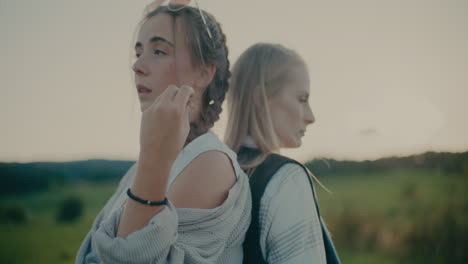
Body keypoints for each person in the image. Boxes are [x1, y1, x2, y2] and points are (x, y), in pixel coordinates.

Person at [76, 2, 251, 264]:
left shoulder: (208, 163)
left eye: (158, 51)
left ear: (204, 73)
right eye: (138, 53)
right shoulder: (142, 168)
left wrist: (153, 159)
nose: (137, 67)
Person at [225, 43, 339, 264]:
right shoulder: (285, 179)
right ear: (260, 99)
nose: (311, 116)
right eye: (301, 99)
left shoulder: (211, 171)